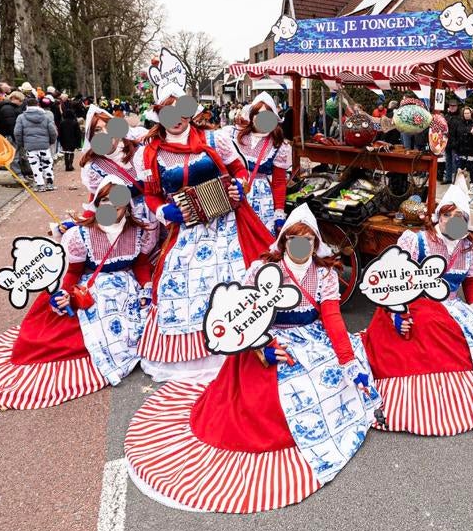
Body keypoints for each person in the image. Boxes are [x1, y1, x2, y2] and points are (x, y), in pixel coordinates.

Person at [125, 204, 382, 513]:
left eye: (308, 241)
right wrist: (262, 347)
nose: (301, 247)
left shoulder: (324, 273)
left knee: (332, 373)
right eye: (294, 240)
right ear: (284, 241)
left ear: (315, 243)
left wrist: (347, 360)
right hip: (269, 338)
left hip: (311, 337)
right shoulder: (261, 271)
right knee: (269, 390)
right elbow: (243, 320)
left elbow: (332, 320)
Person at [0, 181, 156, 409]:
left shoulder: (141, 231)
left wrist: (146, 287)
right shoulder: (80, 235)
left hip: (126, 286)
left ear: (127, 208)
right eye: (104, 204)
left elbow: (141, 265)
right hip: (91, 286)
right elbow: (73, 271)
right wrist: (64, 293)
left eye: (117, 206)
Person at [363, 177, 473, 435]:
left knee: (472, 341)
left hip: (451, 307)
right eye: (449, 216)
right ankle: (419, 398)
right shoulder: (416, 241)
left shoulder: (470, 247)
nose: (455, 223)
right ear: (439, 217)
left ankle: (455, 395)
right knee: (422, 335)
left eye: (461, 218)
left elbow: (470, 283)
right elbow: (393, 285)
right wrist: (396, 315)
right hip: (412, 305)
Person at [135, 86, 273, 383]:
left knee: (231, 279)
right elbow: (150, 195)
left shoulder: (214, 139)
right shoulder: (149, 154)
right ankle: (191, 354)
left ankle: (236, 343)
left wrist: (238, 187)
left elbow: (238, 169)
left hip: (226, 225)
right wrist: (163, 212)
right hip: (186, 227)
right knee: (179, 280)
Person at [227, 92, 291, 235]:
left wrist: (279, 212)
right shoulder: (233, 136)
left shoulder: (279, 145)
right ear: (252, 117)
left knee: (259, 238)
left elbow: (279, 181)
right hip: (234, 194)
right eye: (257, 115)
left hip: (261, 200)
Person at [14, 96, 58, 191]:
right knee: (47, 164)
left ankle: (40, 184)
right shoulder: (46, 116)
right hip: (44, 145)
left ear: (27, 106)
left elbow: (17, 132)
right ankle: (49, 183)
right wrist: (51, 141)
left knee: (35, 165)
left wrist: (22, 143)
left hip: (30, 146)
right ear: (38, 104)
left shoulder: (21, 117)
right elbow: (53, 131)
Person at [452, 105, 473, 182]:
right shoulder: (459, 123)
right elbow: (454, 135)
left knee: (472, 167)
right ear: (463, 114)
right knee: (459, 168)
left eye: (468, 113)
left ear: (471, 114)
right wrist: (456, 144)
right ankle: (457, 183)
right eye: (465, 113)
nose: (467, 115)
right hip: (461, 150)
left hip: (471, 150)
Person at [442, 98, 463, 183]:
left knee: (455, 162)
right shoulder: (447, 116)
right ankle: (448, 178)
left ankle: (455, 179)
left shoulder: (460, 117)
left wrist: (457, 142)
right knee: (448, 161)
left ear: (457, 107)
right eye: (451, 106)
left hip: (456, 143)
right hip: (447, 142)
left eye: (454, 106)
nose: (452, 107)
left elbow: (461, 131)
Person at [58, 95, 81, 171]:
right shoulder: (74, 123)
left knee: (66, 153)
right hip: (72, 140)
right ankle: (70, 164)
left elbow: (60, 133)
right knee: (71, 152)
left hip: (64, 140)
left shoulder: (62, 123)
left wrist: (61, 141)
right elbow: (78, 133)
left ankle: (66, 165)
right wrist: (78, 143)